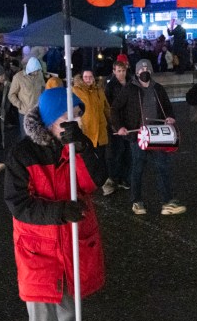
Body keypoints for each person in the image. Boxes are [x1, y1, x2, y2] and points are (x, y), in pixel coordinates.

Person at [3, 88, 107, 321]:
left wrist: (83, 147)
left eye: (77, 113)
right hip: (38, 248)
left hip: (75, 243)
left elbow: (96, 181)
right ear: (50, 122)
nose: (75, 119)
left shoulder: (75, 144)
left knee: (71, 311)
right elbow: (18, 204)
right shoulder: (22, 154)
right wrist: (59, 212)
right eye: (68, 115)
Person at [111, 58, 186, 216]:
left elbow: (167, 107)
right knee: (137, 169)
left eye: (147, 68)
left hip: (157, 135)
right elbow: (115, 109)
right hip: (138, 135)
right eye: (141, 69)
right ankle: (136, 201)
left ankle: (168, 201)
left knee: (162, 167)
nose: (144, 71)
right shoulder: (129, 89)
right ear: (137, 72)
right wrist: (120, 127)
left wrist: (170, 117)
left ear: (151, 71)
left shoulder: (158, 89)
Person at [72, 70, 113, 194]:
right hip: (86, 132)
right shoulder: (76, 91)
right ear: (81, 78)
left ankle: (104, 183)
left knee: (101, 158)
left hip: (100, 131)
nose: (88, 79)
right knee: (88, 159)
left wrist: (110, 122)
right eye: (85, 77)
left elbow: (106, 108)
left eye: (90, 76)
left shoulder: (99, 91)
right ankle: (90, 183)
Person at [104, 57, 132, 193]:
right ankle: (114, 178)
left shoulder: (131, 83)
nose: (121, 73)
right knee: (117, 152)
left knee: (128, 152)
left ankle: (124, 178)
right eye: (118, 71)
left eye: (123, 71)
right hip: (116, 124)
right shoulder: (110, 86)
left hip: (130, 123)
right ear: (114, 71)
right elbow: (109, 107)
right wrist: (114, 125)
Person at [9, 56, 46, 138]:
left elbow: (43, 88)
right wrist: (19, 105)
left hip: (37, 111)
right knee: (25, 136)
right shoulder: (18, 77)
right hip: (24, 113)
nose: (36, 73)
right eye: (34, 71)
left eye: (37, 70)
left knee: (37, 135)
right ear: (30, 69)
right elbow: (11, 95)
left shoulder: (39, 75)